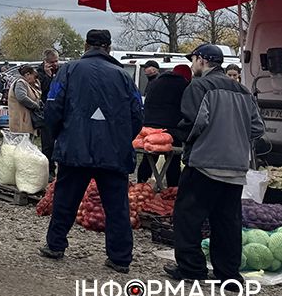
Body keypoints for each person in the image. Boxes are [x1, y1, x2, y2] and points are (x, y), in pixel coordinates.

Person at [39, 29, 144, 275]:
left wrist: (57, 136)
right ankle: (120, 258)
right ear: (108, 47)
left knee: (66, 198)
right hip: (114, 153)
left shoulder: (69, 70)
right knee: (117, 206)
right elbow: (138, 113)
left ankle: (55, 245)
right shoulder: (124, 76)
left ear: (85, 45)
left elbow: (53, 107)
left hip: (75, 149)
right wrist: (121, 138)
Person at [165, 44, 265, 283]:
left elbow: (194, 122)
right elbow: (257, 128)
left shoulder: (198, 86)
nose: (192, 65)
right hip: (236, 166)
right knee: (228, 221)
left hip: (204, 163)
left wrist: (181, 138)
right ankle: (229, 274)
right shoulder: (243, 91)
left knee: (188, 217)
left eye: (193, 60)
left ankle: (191, 269)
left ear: (201, 60)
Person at [136, 65, 190, 186]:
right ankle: (172, 189)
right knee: (173, 161)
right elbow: (186, 109)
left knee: (149, 157)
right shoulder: (184, 85)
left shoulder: (156, 82)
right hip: (171, 129)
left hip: (149, 128)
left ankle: (141, 184)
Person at [34, 49, 60, 164]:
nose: (55, 64)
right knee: (48, 144)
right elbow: (44, 91)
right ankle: (48, 168)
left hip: (59, 110)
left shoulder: (60, 71)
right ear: (46, 62)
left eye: (56, 61)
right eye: (52, 62)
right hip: (46, 111)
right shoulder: (38, 74)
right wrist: (48, 77)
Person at [7, 65, 42, 135]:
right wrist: (35, 105)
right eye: (35, 77)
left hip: (25, 120)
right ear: (28, 74)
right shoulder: (20, 83)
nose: (35, 79)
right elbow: (22, 97)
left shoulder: (27, 84)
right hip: (20, 121)